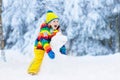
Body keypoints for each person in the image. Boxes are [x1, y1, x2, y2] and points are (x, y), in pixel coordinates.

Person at [27, 10, 66, 75]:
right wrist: (49, 51)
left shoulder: (56, 30)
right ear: (49, 23)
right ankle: (31, 71)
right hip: (40, 47)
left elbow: (59, 39)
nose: (56, 23)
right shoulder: (45, 30)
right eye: (54, 21)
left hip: (48, 47)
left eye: (57, 21)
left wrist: (62, 48)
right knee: (39, 57)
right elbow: (44, 41)